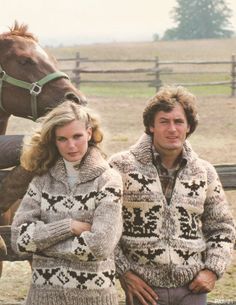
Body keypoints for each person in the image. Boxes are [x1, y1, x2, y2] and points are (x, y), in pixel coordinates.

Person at [109, 86, 235, 305]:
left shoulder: (204, 172)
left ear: (189, 127)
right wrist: (124, 273)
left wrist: (213, 271)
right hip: (143, 290)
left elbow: (222, 228)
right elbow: (105, 226)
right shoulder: (120, 166)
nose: (172, 129)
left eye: (178, 122)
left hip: (192, 290)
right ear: (151, 126)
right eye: (164, 121)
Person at [11, 100, 123, 305]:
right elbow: (19, 239)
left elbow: (100, 246)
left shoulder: (108, 180)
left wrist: (42, 246)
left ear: (89, 133)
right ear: (53, 141)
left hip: (94, 298)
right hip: (42, 297)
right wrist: (68, 227)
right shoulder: (42, 181)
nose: (71, 146)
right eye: (62, 139)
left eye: (77, 136)